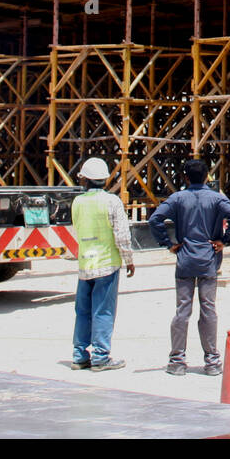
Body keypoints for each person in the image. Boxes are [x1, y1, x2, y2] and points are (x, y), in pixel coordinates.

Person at [148, 158, 230, 376]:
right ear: (207, 176)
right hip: (208, 260)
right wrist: (225, 240)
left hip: (185, 260)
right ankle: (212, 362)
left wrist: (169, 244)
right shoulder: (217, 199)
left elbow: (155, 220)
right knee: (208, 309)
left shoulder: (178, 198)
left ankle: (177, 361)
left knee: (182, 311)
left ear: (185, 177)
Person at [71, 157, 134, 371]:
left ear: (85, 180)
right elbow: (122, 235)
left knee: (82, 311)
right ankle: (100, 356)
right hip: (107, 264)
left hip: (85, 265)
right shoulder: (112, 201)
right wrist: (129, 260)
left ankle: (79, 355)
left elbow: (77, 228)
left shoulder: (77, 202)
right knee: (103, 311)